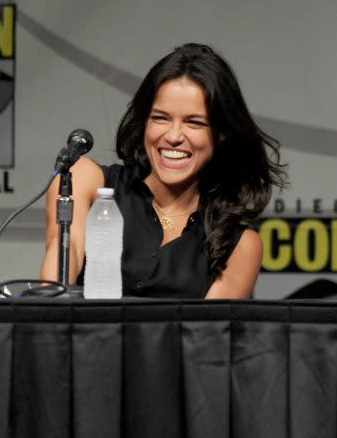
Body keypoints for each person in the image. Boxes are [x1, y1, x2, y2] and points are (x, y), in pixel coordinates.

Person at [40, 43, 287, 298]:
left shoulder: (239, 246)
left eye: (194, 122)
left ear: (222, 133)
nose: (173, 136)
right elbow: (55, 289)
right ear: (145, 121)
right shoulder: (85, 180)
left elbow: (208, 334)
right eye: (160, 118)